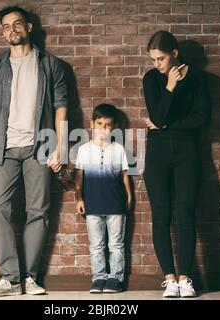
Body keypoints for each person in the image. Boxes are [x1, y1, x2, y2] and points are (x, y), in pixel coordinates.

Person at [0, 5, 68, 297]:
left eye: (16, 24)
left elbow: (61, 108)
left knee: (38, 211)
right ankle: (9, 279)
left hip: (39, 148)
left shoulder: (51, 65)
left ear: (28, 27)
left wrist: (60, 148)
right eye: (5, 26)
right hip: (3, 149)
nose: (11, 30)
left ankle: (29, 277)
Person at [142, 31, 211, 298]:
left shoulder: (198, 78)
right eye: (153, 59)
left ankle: (185, 279)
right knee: (161, 214)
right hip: (157, 154)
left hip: (187, 153)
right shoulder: (151, 79)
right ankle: (169, 280)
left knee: (185, 213)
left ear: (175, 54)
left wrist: (168, 125)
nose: (156, 64)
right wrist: (169, 86)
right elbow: (157, 115)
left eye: (161, 59)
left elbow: (203, 118)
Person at [74, 104, 132, 294]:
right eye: (99, 124)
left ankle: (115, 278)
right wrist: (79, 198)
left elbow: (124, 175)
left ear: (113, 127)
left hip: (115, 205)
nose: (103, 129)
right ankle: (99, 277)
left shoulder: (119, 149)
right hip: (92, 204)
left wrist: (129, 197)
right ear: (92, 124)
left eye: (107, 125)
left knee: (115, 245)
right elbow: (79, 177)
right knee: (96, 245)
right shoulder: (83, 150)